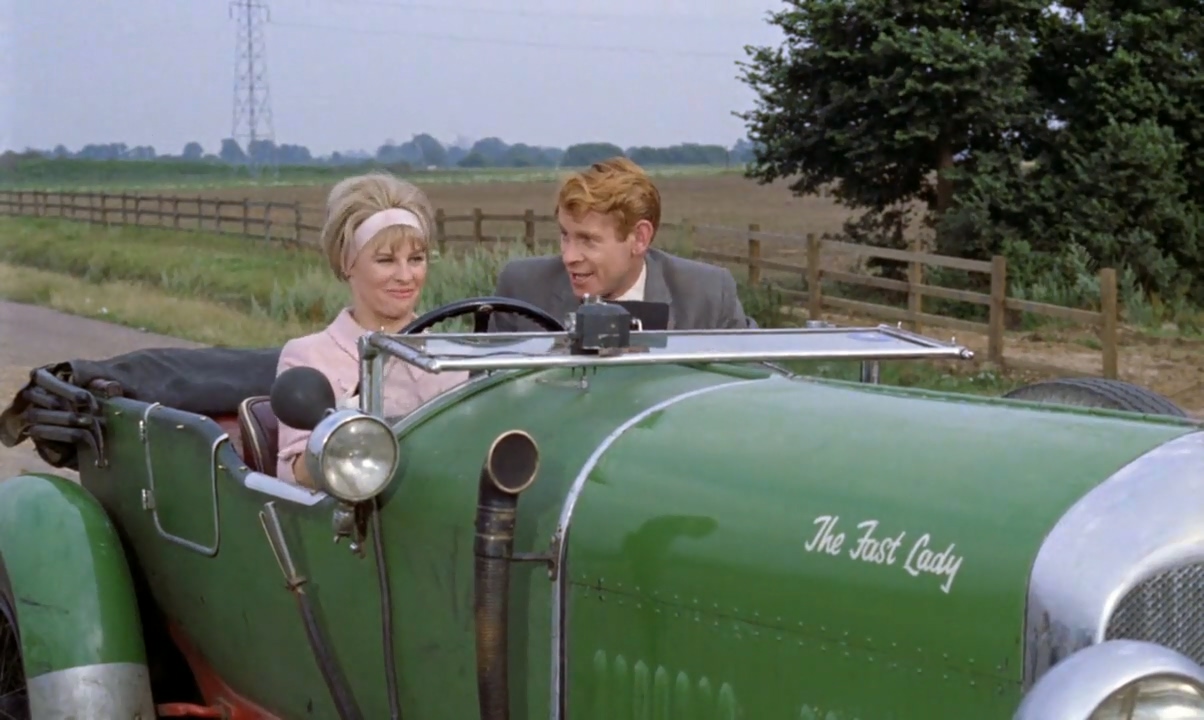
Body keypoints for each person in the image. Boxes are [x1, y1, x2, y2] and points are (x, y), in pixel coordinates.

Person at [275, 172, 468, 487]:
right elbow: (293, 473)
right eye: (386, 260)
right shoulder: (308, 356)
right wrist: (347, 435)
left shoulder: (449, 357)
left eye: (416, 259)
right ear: (348, 263)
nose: (406, 276)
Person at [488, 157, 754, 332]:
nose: (568, 257)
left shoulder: (707, 294)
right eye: (565, 235)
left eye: (588, 240)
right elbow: (489, 394)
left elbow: (759, 384)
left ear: (639, 239)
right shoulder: (522, 288)